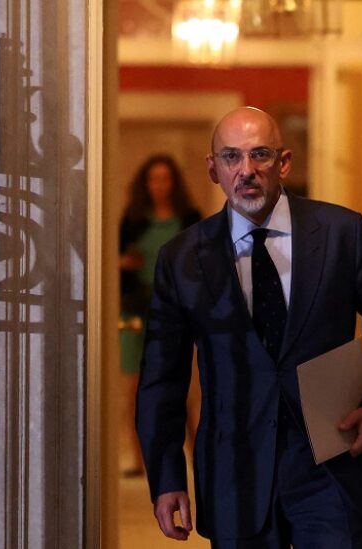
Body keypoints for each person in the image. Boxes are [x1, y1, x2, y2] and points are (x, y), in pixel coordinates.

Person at [136, 107, 362, 548]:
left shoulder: (342, 233)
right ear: (213, 169)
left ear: (283, 163)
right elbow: (162, 378)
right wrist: (167, 476)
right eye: (231, 157)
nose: (245, 171)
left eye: (260, 155)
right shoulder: (183, 257)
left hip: (331, 465)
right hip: (234, 473)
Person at [119, 154, 200, 476]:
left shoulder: (189, 218)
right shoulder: (133, 220)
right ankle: (140, 460)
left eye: (166, 178)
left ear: (174, 182)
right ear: (145, 183)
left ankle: (195, 454)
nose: (160, 185)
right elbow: (114, 261)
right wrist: (123, 264)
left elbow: (203, 264)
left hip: (176, 311)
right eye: (154, 179)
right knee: (137, 390)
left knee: (181, 387)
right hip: (137, 311)